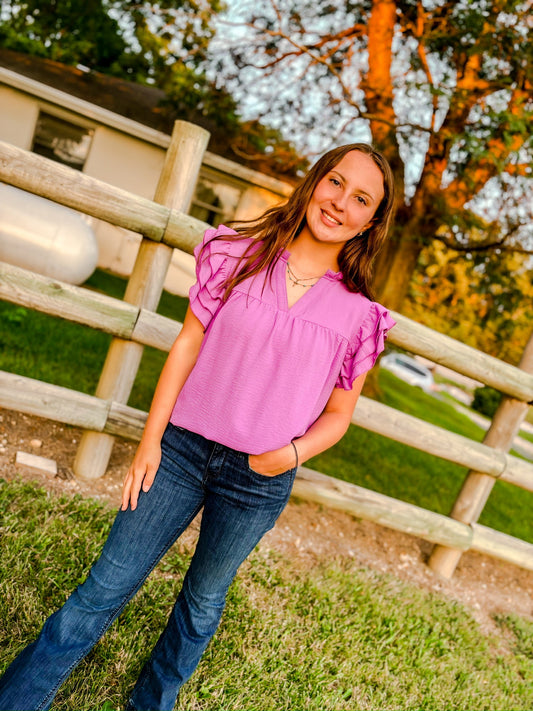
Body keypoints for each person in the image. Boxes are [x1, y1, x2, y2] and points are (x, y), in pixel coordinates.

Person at [0, 143, 396, 711]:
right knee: (102, 591)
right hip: (182, 451)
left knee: (201, 604)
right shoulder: (238, 253)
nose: (339, 203)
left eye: (360, 199)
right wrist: (150, 441)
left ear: (371, 221)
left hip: (258, 481)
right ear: (314, 182)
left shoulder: (361, 316)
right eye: (335, 182)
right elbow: (187, 345)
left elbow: (339, 417)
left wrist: (288, 455)